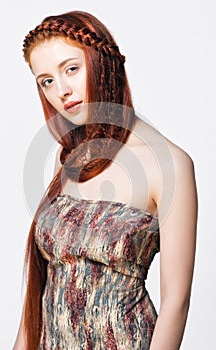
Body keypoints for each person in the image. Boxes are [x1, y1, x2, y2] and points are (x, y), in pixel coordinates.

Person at [13, 10, 198, 350]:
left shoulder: (169, 164)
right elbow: (41, 288)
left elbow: (177, 303)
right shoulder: (68, 156)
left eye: (71, 69)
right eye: (46, 81)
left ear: (103, 62)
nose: (61, 91)